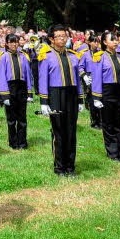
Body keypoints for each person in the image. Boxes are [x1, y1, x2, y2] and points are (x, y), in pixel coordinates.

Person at [37, 24, 81, 176]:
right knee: (58, 131)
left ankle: (70, 166)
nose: (62, 39)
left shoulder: (73, 56)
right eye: (59, 36)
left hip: (71, 94)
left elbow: (78, 80)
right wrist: (44, 101)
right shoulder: (46, 56)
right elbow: (43, 79)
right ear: (51, 39)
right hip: (55, 94)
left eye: (64, 36)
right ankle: (59, 167)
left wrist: (80, 99)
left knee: (71, 130)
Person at [91, 34, 120, 162]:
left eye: (116, 39)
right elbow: (97, 77)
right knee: (109, 123)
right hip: (107, 91)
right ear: (104, 42)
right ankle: (112, 152)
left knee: (119, 122)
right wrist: (97, 97)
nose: (115, 42)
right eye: (112, 40)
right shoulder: (100, 57)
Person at [0, 33, 34, 150]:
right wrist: (4, 95)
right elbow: (1, 76)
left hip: (21, 87)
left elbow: (28, 74)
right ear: (7, 43)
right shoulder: (3, 57)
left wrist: (29, 92)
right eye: (11, 42)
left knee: (22, 117)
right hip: (10, 88)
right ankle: (13, 142)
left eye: (16, 41)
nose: (14, 44)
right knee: (11, 119)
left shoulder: (23, 56)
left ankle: (22, 142)